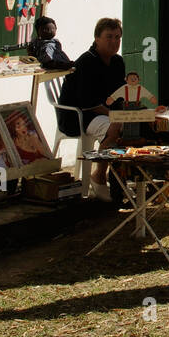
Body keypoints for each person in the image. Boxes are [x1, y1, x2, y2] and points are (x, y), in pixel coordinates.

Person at [57, 17, 127, 200]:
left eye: (118, 37)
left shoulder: (118, 62)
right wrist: (114, 116)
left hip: (106, 113)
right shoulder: (86, 62)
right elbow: (87, 102)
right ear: (97, 39)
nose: (114, 41)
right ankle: (99, 175)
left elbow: (120, 93)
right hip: (80, 115)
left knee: (134, 127)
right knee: (115, 128)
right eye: (109, 37)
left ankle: (120, 181)